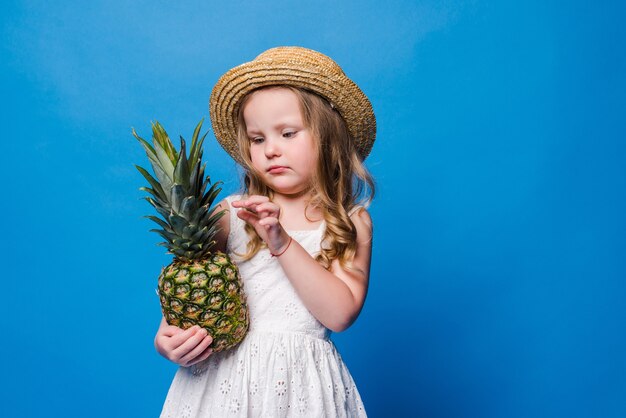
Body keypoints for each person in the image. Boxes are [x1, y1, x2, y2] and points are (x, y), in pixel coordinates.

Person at [156, 46, 376, 417]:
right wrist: (168, 337)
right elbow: (192, 289)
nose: (271, 149)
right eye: (257, 139)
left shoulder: (350, 221)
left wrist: (282, 242)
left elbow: (339, 314)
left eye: (287, 133)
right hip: (220, 386)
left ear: (329, 137)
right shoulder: (231, 213)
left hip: (300, 386)